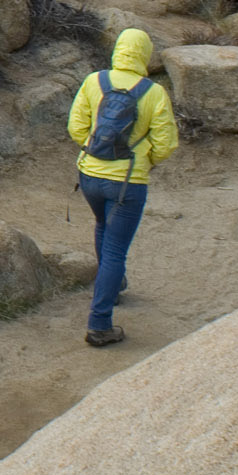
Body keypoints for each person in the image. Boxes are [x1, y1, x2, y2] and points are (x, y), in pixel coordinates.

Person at [66, 26, 179, 347]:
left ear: (118, 50)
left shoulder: (94, 81)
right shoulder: (154, 92)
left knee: (103, 226)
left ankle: (111, 289)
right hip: (127, 181)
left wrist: (95, 149)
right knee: (116, 249)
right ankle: (99, 324)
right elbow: (166, 143)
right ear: (144, 54)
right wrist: (146, 160)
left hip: (89, 176)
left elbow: (76, 127)